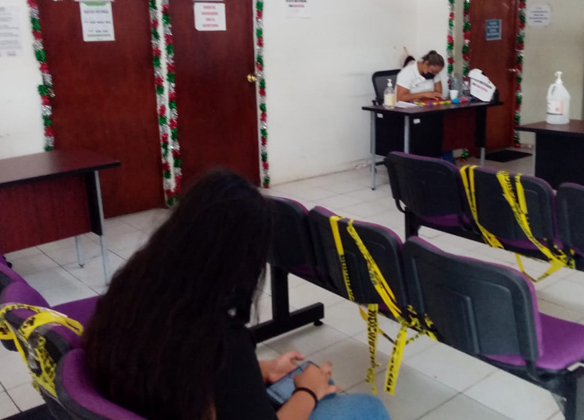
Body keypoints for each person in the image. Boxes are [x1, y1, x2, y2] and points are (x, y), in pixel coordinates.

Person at [83, 169, 389, 420]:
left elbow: (176, 364)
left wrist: (257, 370)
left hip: (165, 405)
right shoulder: (219, 337)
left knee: (309, 384)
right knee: (366, 407)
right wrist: (307, 392)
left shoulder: (132, 288)